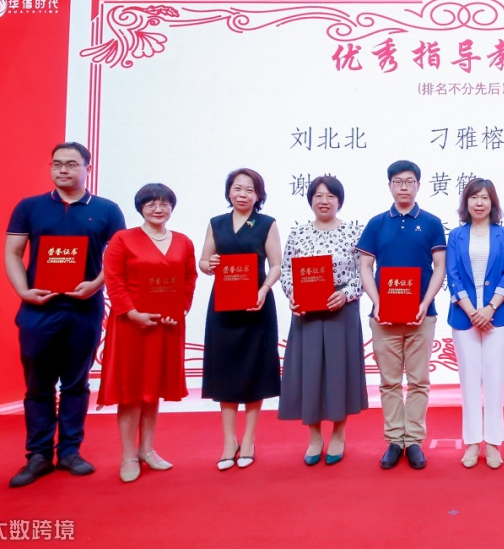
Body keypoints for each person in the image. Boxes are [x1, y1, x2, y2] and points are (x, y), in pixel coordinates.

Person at [4, 142, 126, 488]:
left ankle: (70, 451)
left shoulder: (106, 210)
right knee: (38, 386)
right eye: (57, 164)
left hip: (83, 310)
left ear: (87, 168)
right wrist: (23, 291)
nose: (62, 170)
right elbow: (13, 253)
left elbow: (117, 258)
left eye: (71, 164)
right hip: (38, 310)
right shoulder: (30, 207)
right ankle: (38, 455)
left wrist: (95, 285)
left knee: (76, 383)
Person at [98, 183, 198, 483]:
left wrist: (180, 309)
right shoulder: (123, 239)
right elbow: (114, 279)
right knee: (131, 392)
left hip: (166, 326)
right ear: (140, 207)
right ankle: (128, 455)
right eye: (151, 203)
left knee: (153, 389)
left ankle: (147, 449)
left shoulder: (183, 241)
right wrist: (131, 313)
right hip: (132, 326)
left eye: (164, 203)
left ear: (172, 208)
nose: (158, 209)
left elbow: (189, 279)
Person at [356, 160, 447, 470]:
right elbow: (365, 267)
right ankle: (395, 440)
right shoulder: (377, 223)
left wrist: (426, 302)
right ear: (390, 186)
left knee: (419, 381)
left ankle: (415, 441)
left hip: (422, 315)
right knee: (390, 382)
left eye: (410, 181)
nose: (404, 187)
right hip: (383, 317)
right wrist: (377, 302)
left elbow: (440, 267)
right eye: (398, 181)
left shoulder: (431, 223)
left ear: (418, 185)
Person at [278, 176, 368, 466]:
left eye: (330, 196)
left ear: (339, 201)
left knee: (341, 372)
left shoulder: (354, 232)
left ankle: (339, 434)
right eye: (318, 195)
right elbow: (286, 271)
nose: (324, 201)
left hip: (342, 310)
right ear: (310, 200)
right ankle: (314, 436)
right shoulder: (298, 233)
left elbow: (364, 273)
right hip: (307, 313)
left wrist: (346, 294)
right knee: (309, 372)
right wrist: (293, 295)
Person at [199, 168, 282, 471]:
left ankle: (248, 439)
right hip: (223, 307)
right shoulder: (216, 223)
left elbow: (276, 265)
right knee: (225, 370)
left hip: (256, 306)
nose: (243, 194)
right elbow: (203, 262)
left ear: (258, 195)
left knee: (254, 370)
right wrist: (209, 264)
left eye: (249, 189)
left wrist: (264, 289)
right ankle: (228, 441)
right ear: (229, 192)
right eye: (237, 188)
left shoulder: (266, 223)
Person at [445, 178, 504, 469]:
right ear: (466, 202)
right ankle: (473, 442)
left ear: (492, 203)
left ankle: (494, 442)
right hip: (464, 317)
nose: (479, 203)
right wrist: (473, 311)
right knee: (469, 381)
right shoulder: (456, 235)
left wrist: (489, 309)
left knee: (495, 381)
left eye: (485, 197)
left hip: (497, 317)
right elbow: (452, 276)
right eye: (474, 197)